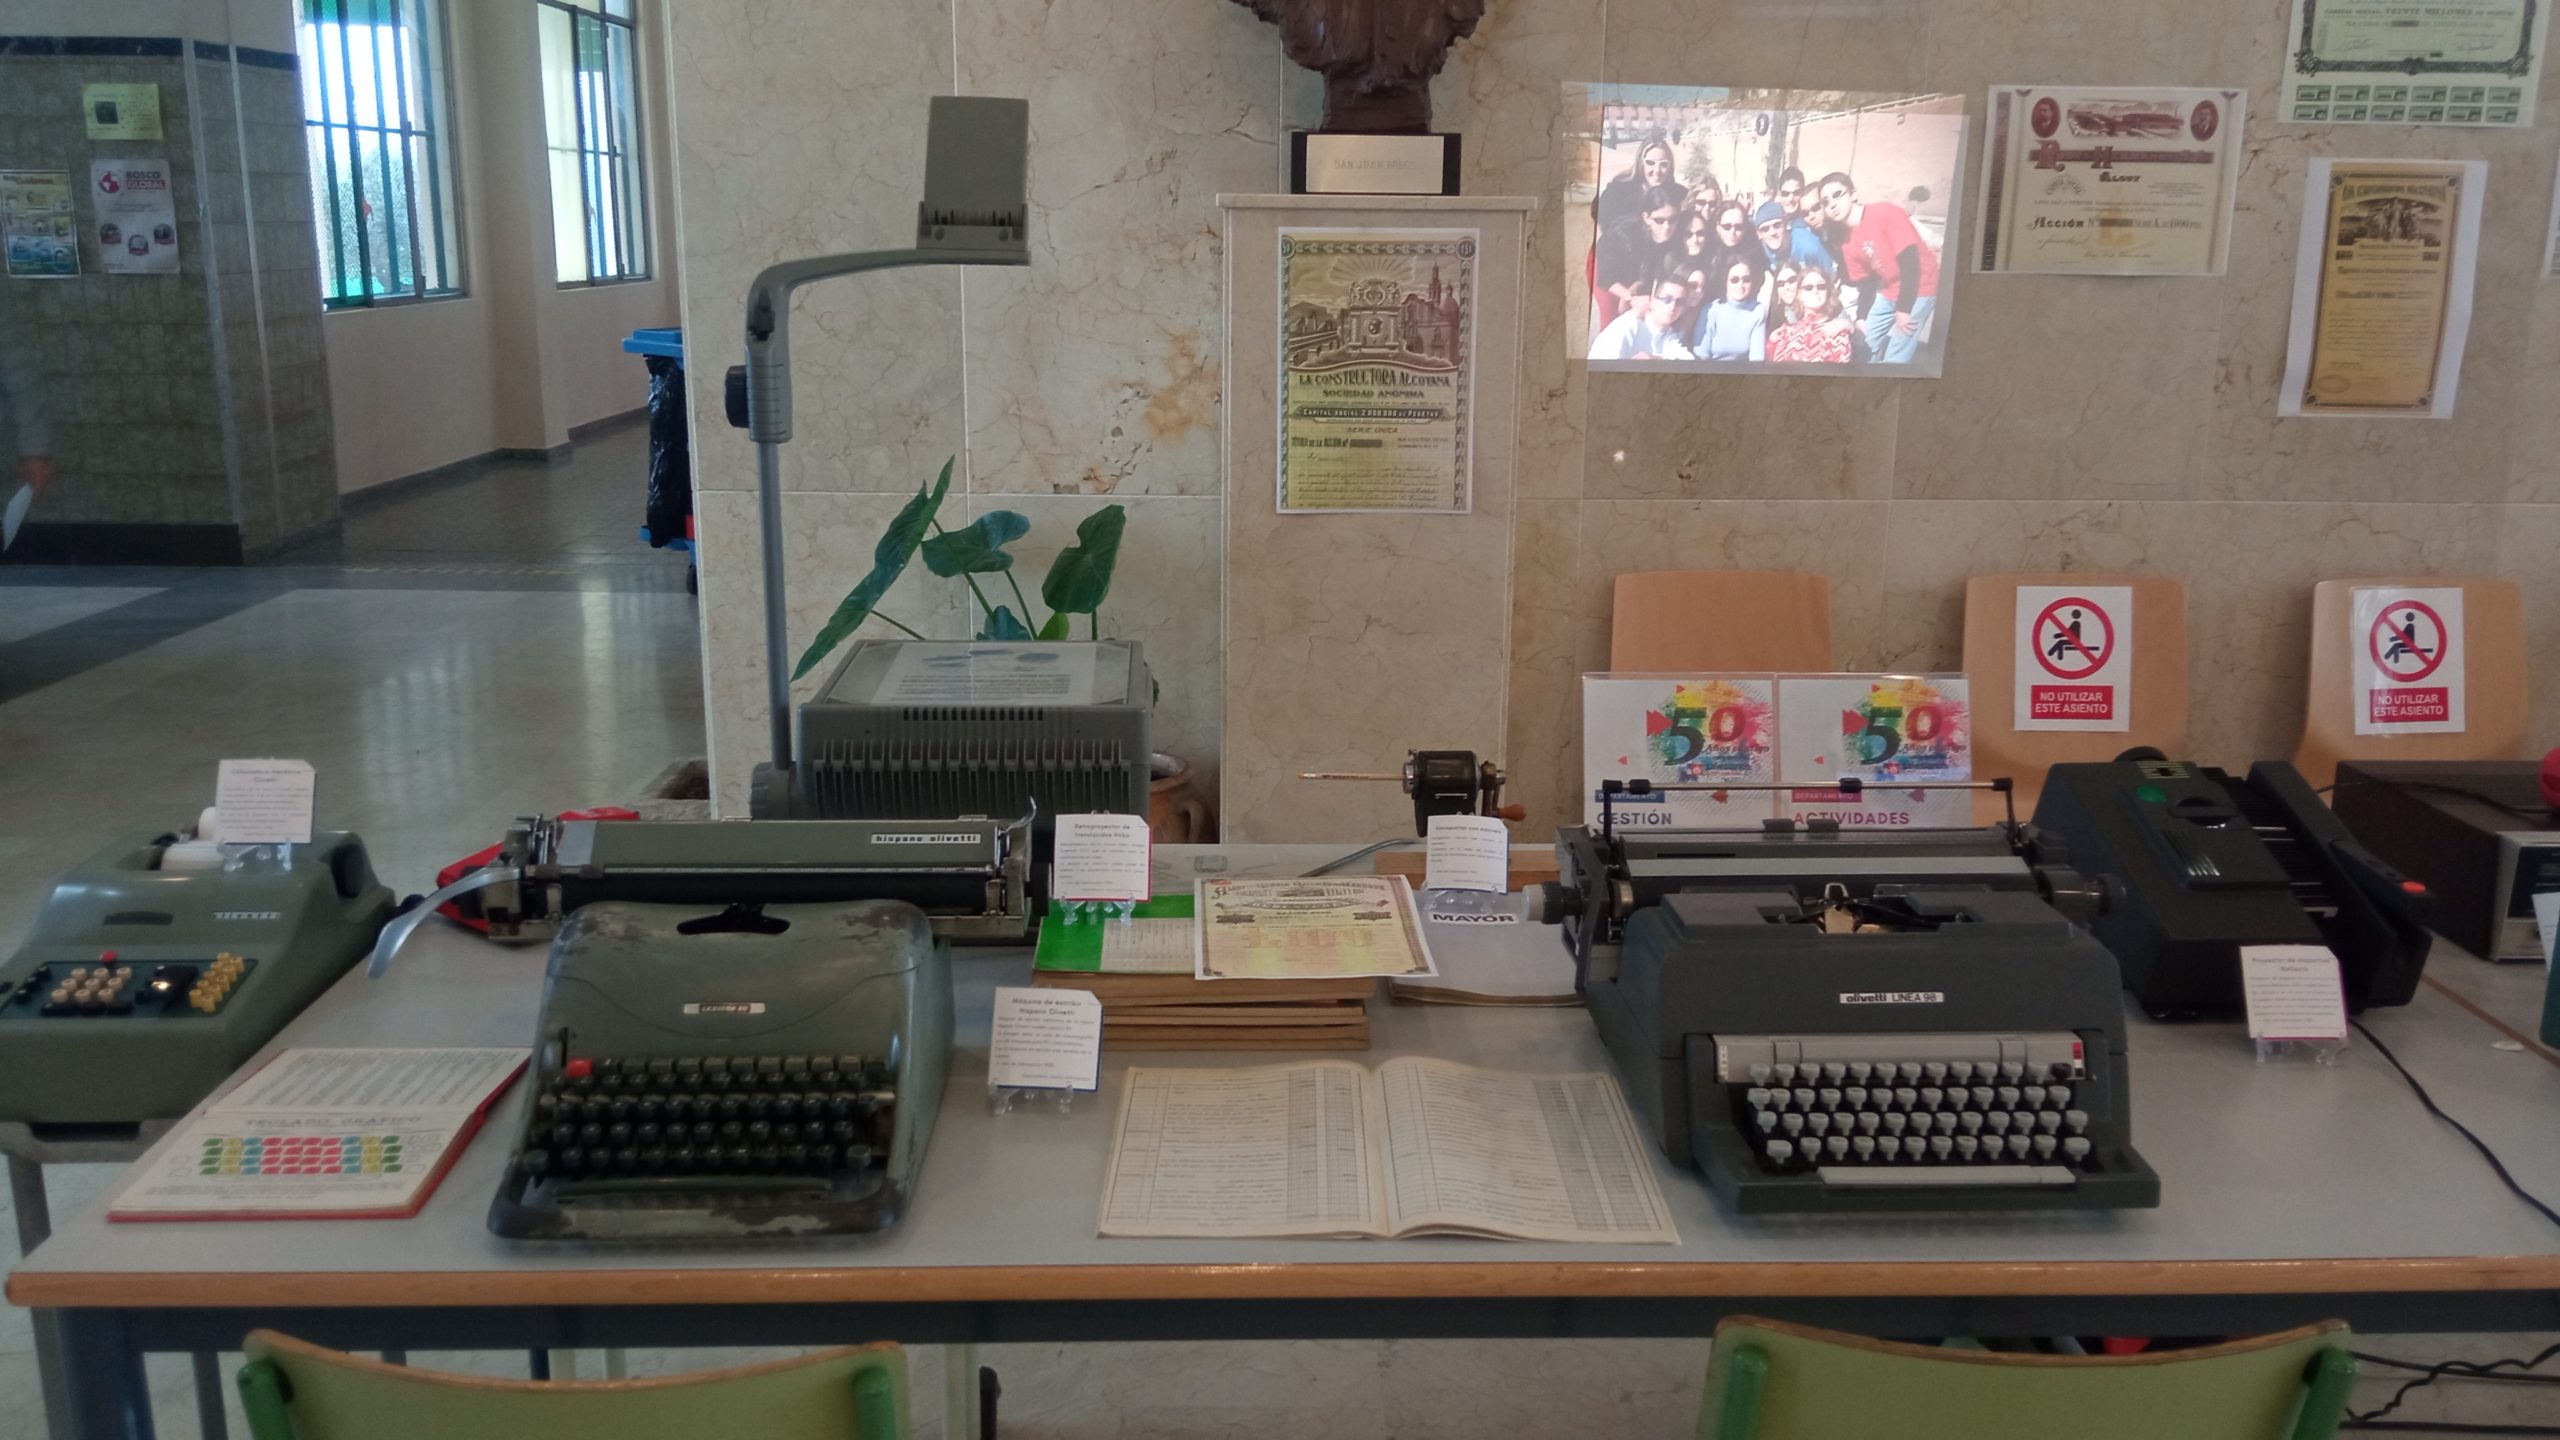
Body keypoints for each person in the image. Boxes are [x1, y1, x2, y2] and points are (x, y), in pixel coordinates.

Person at [1817, 170, 1939, 365]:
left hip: (1921, 285)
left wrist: (1904, 309)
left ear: (1853, 194)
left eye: (1837, 194)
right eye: (1825, 201)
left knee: (1897, 352)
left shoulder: (1885, 213)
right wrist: (1861, 317)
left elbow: (1910, 263)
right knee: (1864, 343)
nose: (1832, 204)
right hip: (1890, 289)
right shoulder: (1846, 242)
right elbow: (1867, 282)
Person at [1596, 183, 1685, 317]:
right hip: (1605, 265)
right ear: (1646, 218)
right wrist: (1630, 297)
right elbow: (1605, 278)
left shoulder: (1677, 234)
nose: (1667, 227)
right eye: (1659, 220)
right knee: (1611, 316)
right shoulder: (1626, 237)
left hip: (1638, 268)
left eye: (1672, 219)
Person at [1587, 272, 1695, 361]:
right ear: (1652, 300)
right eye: (1666, 299)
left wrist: (1656, 359)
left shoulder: (1670, 333)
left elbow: (1688, 360)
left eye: (1679, 302)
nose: (1673, 306)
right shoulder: (1628, 326)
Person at [1767, 266, 1853, 364]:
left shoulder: (1837, 330)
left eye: (1821, 287)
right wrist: (1772, 344)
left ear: (1828, 292)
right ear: (1799, 294)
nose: (1815, 291)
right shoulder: (1786, 333)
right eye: (1808, 288)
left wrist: (1849, 325)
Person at [1691, 252, 1767, 363]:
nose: (1740, 285)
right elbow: (1701, 355)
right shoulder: (1711, 310)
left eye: (1746, 280)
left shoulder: (1757, 311)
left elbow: (1757, 357)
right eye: (1734, 280)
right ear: (1725, 281)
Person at [1597, 137, 1676, 237]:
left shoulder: (1676, 194)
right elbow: (1603, 222)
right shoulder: (1617, 191)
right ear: (1640, 163)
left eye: (1663, 164)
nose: (1657, 170)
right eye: (1650, 163)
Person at [1751, 199, 1834, 277]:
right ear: (1759, 234)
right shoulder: (1760, 252)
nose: (1772, 233)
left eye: (1777, 225)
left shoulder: (1809, 246)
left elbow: (1832, 276)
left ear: (1786, 224)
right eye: (1765, 229)